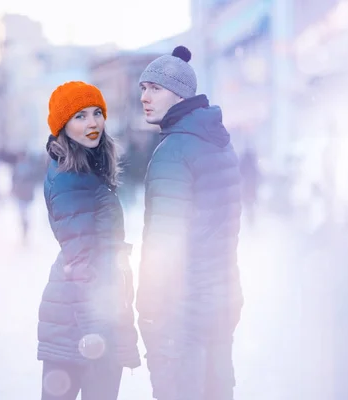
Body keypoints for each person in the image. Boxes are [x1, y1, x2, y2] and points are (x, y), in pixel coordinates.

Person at [137, 46, 244, 400]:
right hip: (218, 302)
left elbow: (164, 245)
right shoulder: (217, 143)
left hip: (181, 312)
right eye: (143, 88)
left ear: (180, 94)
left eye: (155, 88)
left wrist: (149, 311)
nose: (145, 97)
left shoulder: (175, 150)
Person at [38, 81, 140, 400]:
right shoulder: (71, 179)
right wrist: (98, 332)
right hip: (85, 325)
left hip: (81, 319)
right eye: (80, 116)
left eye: (97, 113)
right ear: (63, 126)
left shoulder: (85, 171)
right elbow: (80, 263)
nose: (93, 122)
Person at [11, 151, 38, 241]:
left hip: (24, 195)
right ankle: (24, 231)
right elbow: (14, 181)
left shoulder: (26, 168)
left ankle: (25, 232)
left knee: (24, 214)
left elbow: (32, 181)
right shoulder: (21, 167)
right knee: (23, 214)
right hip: (22, 194)